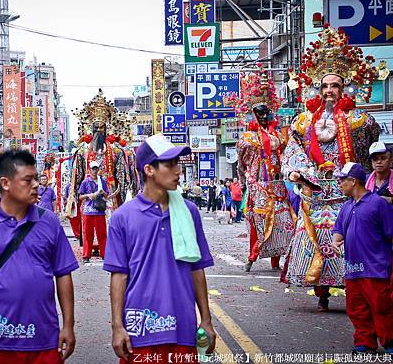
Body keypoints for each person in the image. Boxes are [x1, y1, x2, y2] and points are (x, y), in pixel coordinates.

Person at [282, 26, 381, 312]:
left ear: (345, 87)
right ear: (317, 88)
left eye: (335, 86)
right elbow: (293, 149)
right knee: (314, 237)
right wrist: (298, 172)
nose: (329, 91)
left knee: (351, 240)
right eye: (324, 86)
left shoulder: (361, 122)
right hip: (316, 191)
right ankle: (321, 290)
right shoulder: (303, 122)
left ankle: (355, 288)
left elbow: (369, 156)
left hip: (347, 195)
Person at [0, 149, 78, 364]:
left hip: (43, 338)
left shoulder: (49, 222)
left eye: (35, 178)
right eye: (27, 180)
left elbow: (63, 275)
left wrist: (68, 325)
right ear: (5, 183)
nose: (36, 185)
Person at [105, 134, 215, 364]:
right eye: (170, 164)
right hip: (140, 329)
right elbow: (119, 275)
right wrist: (117, 326)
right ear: (149, 170)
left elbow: (197, 268)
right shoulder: (123, 217)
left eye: (178, 164)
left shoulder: (189, 212)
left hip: (182, 326)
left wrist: (206, 320)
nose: (178, 171)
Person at [230, 68, 295, 272]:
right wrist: (244, 180)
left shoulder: (280, 135)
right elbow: (242, 164)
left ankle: (277, 258)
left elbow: (286, 155)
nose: (264, 116)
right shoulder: (248, 138)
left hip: (277, 184)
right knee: (258, 222)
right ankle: (253, 256)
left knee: (282, 221)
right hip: (258, 185)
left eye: (266, 112)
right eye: (259, 113)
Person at [331, 162, 393, 355]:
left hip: (375, 267)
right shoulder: (346, 206)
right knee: (356, 309)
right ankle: (365, 342)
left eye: (342, 180)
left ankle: (390, 342)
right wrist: (335, 242)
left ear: (353, 180)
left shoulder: (378, 203)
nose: (339, 183)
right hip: (353, 269)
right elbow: (338, 230)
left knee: (382, 308)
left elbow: (390, 233)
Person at [66, 89, 138, 221]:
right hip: (88, 192)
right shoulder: (82, 150)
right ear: (91, 129)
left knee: (110, 223)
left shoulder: (116, 150)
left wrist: (123, 193)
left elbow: (122, 175)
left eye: (101, 128)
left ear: (106, 129)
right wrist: (74, 195)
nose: (98, 130)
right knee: (89, 225)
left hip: (109, 192)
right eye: (96, 128)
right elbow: (77, 177)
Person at [79, 160, 110, 263]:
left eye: (96, 168)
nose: (95, 170)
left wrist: (103, 192)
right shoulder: (85, 182)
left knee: (102, 234)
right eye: (93, 168)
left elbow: (107, 196)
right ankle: (86, 255)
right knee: (88, 235)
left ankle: (104, 254)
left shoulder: (102, 181)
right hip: (88, 211)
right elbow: (80, 196)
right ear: (89, 170)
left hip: (99, 211)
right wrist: (88, 195)